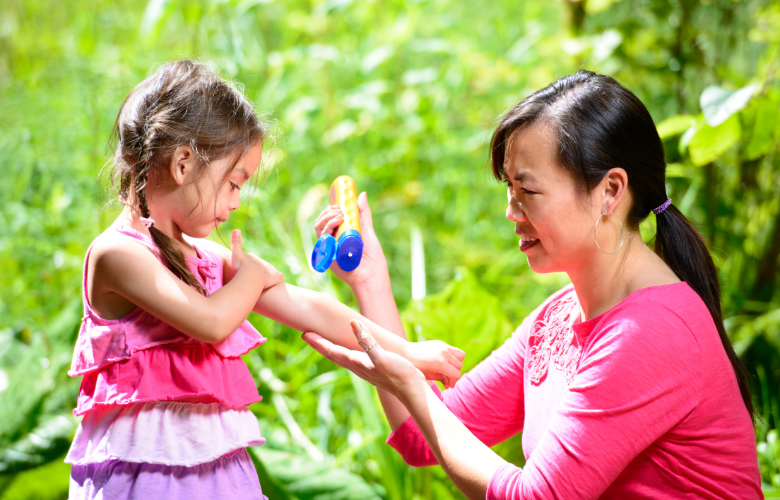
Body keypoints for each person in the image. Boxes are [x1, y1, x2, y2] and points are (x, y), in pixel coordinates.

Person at [304, 70, 763, 499]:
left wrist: (413, 384)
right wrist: (370, 281)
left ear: (610, 191)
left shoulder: (649, 333)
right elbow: (420, 437)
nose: (511, 211)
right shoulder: (559, 317)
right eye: (509, 190)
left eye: (529, 192)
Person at [65, 59, 465, 500]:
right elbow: (211, 322)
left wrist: (410, 353)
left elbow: (307, 307)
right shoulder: (118, 254)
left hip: (215, 472)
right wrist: (251, 276)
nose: (235, 202)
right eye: (234, 184)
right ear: (183, 164)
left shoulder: (203, 257)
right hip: (146, 476)